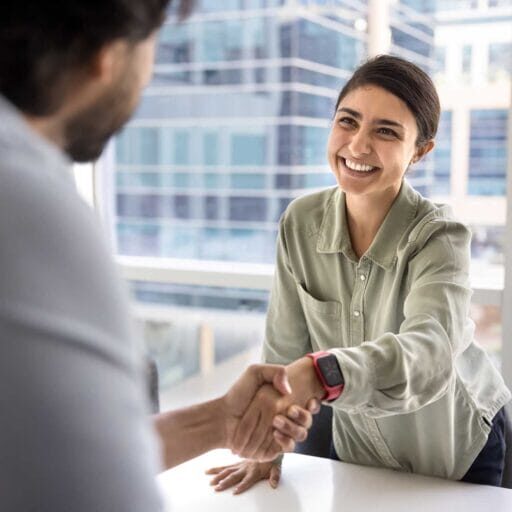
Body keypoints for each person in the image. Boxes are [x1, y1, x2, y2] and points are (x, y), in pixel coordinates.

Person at [0, 1, 321, 510]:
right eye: (153, 42)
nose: (149, 74)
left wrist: (218, 422)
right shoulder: (29, 204)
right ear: (103, 54)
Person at [207, 55, 512, 494]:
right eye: (348, 121)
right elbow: (283, 344)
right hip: (358, 452)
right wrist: (267, 450)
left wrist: (325, 372)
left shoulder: (440, 237)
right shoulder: (301, 221)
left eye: (386, 131)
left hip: (453, 452)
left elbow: (430, 354)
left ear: (420, 151)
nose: (358, 145)